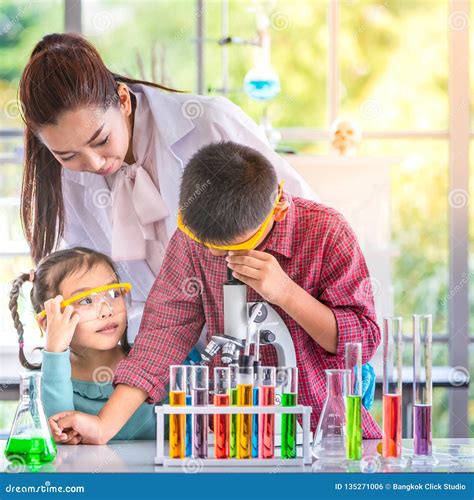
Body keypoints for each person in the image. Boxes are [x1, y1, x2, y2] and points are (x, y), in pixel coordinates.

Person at [49, 142, 381, 444]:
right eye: (212, 249)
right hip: (227, 436)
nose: (221, 259)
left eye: (237, 249)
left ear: (278, 207)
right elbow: (163, 334)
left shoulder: (326, 231)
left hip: (324, 431)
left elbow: (362, 340)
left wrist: (285, 294)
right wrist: (104, 426)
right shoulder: (191, 239)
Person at [19, 32, 317, 340]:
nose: (94, 163)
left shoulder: (209, 123)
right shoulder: (67, 179)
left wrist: (287, 292)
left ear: (122, 100)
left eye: (101, 140)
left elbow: (304, 216)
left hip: (260, 330)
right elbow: (91, 280)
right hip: (158, 348)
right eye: (67, 155)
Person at [10, 247, 196, 442]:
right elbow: (61, 433)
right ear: (49, 322)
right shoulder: (44, 383)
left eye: (114, 294)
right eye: (86, 300)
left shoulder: (156, 366)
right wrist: (55, 351)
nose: (107, 310)